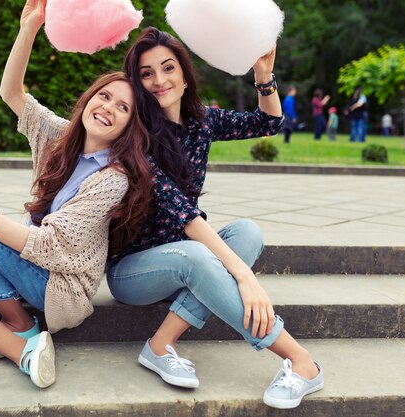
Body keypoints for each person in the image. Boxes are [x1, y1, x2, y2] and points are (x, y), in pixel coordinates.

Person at [0, 0, 151, 389]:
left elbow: (50, 245)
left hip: (61, 288)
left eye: (123, 108)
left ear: (129, 127)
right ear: (89, 99)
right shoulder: (59, 136)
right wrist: (30, 27)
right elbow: (11, 92)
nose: (109, 108)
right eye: (104, 96)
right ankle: (20, 348)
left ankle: (17, 323)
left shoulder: (112, 178)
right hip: (26, 269)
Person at [108, 27, 323, 410]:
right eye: (146, 73)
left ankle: (160, 345)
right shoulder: (135, 137)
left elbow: (267, 123)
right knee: (200, 255)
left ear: (185, 73)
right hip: (132, 272)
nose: (159, 80)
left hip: (186, 258)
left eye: (168, 67)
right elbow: (186, 216)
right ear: (137, 82)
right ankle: (302, 361)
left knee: (246, 232)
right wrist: (244, 276)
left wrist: (263, 75)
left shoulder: (201, 121)